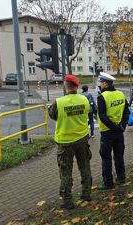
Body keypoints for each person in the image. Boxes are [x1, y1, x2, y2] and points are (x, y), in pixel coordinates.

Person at [48, 75, 92, 210]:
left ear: (65, 86)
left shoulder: (59, 102)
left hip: (65, 143)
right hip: (82, 139)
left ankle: (67, 200)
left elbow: (52, 115)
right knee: (84, 166)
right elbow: (88, 112)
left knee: (66, 171)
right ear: (77, 86)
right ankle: (86, 193)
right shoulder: (84, 99)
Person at [97, 72, 130, 190]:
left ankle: (108, 183)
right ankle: (121, 177)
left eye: (101, 82)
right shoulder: (121, 94)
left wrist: (114, 127)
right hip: (119, 131)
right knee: (119, 155)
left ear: (105, 84)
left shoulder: (102, 97)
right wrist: (122, 125)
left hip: (107, 132)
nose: (100, 85)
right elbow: (127, 111)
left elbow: (102, 116)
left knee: (106, 157)